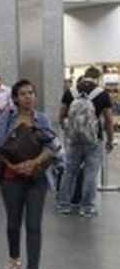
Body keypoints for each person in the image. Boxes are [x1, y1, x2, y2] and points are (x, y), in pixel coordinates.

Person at [0, 80, 61, 269]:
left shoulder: (42, 119)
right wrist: (13, 166)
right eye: (23, 94)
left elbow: (52, 146)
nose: (28, 97)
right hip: (11, 179)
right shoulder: (8, 117)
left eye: (31, 92)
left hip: (36, 179)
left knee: (33, 225)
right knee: (13, 224)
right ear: (15, 98)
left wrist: (34, 162)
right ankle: (14, 256)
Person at [57, 66, 114, 217]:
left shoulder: (71, 91)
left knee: (69, 172)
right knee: (91, 173)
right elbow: (108, 120)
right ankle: (87, 207)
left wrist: (67, 132)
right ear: (97, 78)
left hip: (74, 140)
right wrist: (110, 139)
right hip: (93, 140)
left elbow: (61, 114)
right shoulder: (102, 94)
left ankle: (64, 205)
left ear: (85, 75)